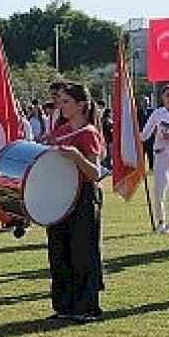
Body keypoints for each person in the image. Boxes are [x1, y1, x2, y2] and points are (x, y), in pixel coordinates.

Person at [44, 82, 106, 322]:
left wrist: (77, 157)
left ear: (81, 105)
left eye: (66, 101)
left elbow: (95, 172)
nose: (61, 105)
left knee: (83, 252)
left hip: (83, 196)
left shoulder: (88, 133)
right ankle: (64, 306)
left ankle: (86, 307)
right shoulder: (60, 131)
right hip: (59, 197)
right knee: (59, 251)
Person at [140, 85, 169, 234]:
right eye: (167, 95)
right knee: (160, 188)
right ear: (162, 97)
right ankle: (161, 221)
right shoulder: (157, 113)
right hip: (161, 154)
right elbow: (145, 134)